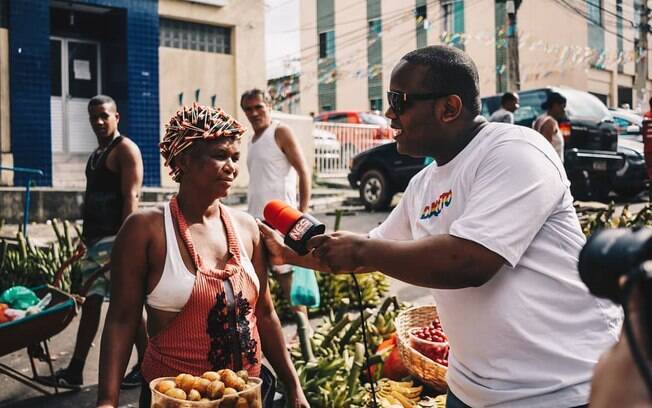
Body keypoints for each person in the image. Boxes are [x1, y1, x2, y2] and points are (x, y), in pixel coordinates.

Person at [259, 45, 622, 408]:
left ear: (449, 108)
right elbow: (373, 250)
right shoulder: (423, 184)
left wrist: (358, 249)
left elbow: (470, 260)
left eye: (399, 101)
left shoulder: (515, 151)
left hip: (565, 387)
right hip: (470, 391)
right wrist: (289, 253)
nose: (389, 114)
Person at [96, 104, 308, 408]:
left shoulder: (247, 228)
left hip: (246, 397)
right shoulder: (147, 230)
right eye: (220, 155)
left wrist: (294, 387)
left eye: (235, 158)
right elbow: (121, 320)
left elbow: (263, 314)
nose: (232, 167)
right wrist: (107, 400)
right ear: (184, 160)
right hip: (175, 400)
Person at [39, 95, 146, 390]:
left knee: (126, 304)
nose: (98, 122)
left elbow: (131, 198)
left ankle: (147, 366)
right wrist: (84, 240)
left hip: (116, 241)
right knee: (97, 304)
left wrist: (125, 244)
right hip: (96, 242)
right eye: (93, 117)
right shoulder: (97, 154)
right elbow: (92, 200)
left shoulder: (126, 150)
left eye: (104, 116)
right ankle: (76, 371)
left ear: (116, 116)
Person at [240, 89, 312, 323]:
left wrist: (302, 212)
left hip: (282, 221)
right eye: (248, 109)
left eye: (259, 107)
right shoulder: (251, 140)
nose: (254, 113)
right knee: (258, 282)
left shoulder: (279, 131)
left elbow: (303, 170)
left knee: (287, 279)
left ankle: (305, 335)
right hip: (256, 222)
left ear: (269, 106)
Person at [533, 91, 566, 162]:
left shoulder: (540, 119)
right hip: (551, 166)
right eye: (562, 107)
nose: (564, 110)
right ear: (555, 105)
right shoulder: (550, 123)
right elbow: (546, 149)